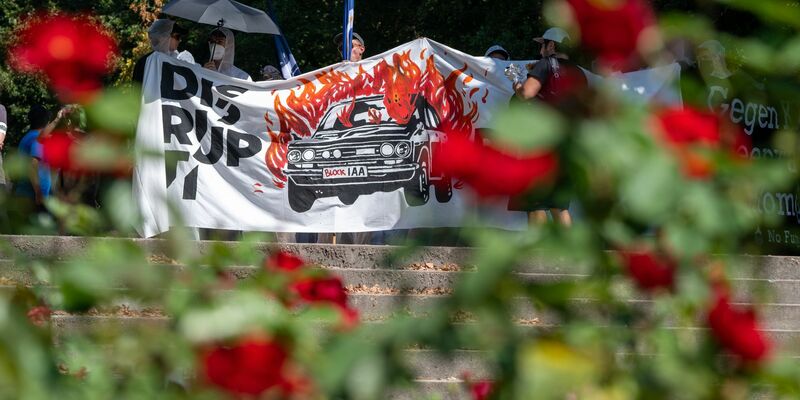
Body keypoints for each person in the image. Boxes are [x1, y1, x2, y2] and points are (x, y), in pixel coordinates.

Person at [511, 27, 587, 227]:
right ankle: (572, 256)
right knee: (559, 205)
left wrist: (517, 85)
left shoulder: (545, 64)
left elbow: (527, 94)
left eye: (542, 45)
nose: (540, 50)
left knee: (536, 202)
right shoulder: (578, 73)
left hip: (542, 143)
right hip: (568, 145)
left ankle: (539, 257)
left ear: (552, 45)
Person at [14, 105, 54, 212]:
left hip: (24, 194)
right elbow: (33, 164)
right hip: (35, 197)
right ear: (46, 122)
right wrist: (39, 192)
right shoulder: (38, 138)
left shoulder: (27, 137)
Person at [133, 19, 193, 84]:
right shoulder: (145, 62)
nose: (180, 40)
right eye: (177, 37)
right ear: (164, 37)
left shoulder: (179, 60)